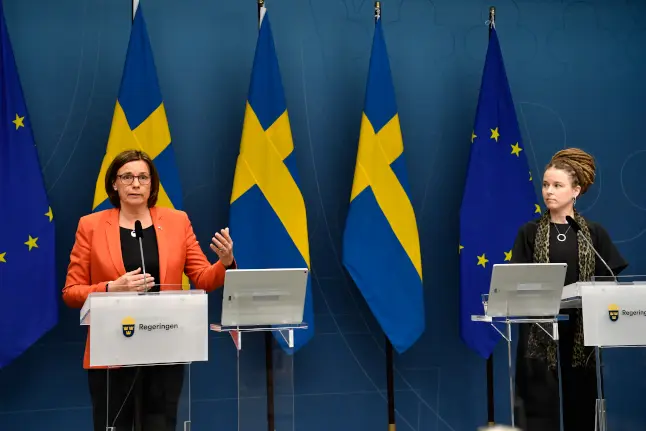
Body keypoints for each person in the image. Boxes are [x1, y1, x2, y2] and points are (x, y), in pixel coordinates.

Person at [62, 149, 236, 431]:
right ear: (114, 183)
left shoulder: (177, 222)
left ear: (152, 184)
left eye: (143, 177)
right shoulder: (91, 226)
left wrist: (225, 263)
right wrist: (112, 288)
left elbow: (204, 278)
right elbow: (71, 292)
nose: (135, 184)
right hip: (112, 351)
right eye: (127, 177)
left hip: (164, 346)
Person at [511, 148, 628, 431]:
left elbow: (608, 280)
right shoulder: (529, 232)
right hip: (539, 331)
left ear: (576, 191)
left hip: (581, 331)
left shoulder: (592, 233)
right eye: (545, 185)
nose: (549, 191)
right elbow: (516, 281)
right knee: (537, 402)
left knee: (582, 401)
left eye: (557, 185)